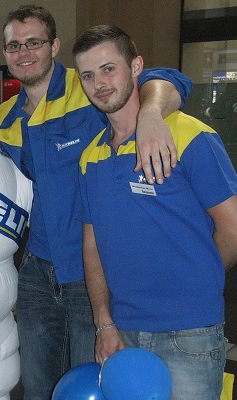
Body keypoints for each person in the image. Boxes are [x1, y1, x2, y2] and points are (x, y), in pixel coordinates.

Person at [0, 5, 192, 399]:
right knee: (37, 385)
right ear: (4, 55)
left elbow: (166, 78)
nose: (24, 53)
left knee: (91, 378)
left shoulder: (88, 87)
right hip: (37, 270)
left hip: (94, 270)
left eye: (33, 42)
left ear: (53, 46)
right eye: (14, 46)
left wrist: (153, 114)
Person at [73, 25, 237, 400]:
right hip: (123, 332)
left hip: (189, 334)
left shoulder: (190, 136)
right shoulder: (90, 157)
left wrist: (196, 277)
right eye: (88, 75)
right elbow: (92, 245)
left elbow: (233, 227)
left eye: (108, 68)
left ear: (136, 68)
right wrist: (103, 323)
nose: (99, 83)